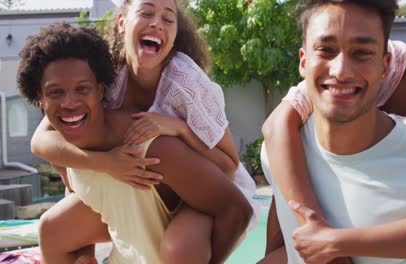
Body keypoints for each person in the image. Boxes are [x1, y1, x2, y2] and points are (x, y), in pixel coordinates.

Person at [30, 0, 260, 263]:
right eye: (146, 12)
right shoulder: (104, 73)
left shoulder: (187, 83)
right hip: (140, 183)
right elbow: (42, 141)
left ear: (175, 34)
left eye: (167, 18)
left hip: (200, 193)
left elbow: (229, 167)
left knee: (180, 247)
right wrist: (108, 163)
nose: (156, 23)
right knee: (52, 228)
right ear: (121, 22)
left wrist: (180, 129)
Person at [260, 0, 406, 263]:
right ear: (303, 61)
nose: (341, 71)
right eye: (326, 50)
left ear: (382, 66)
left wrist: (333, 244)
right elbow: (277, 126)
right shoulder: (289, 147)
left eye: (361, 53)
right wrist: (314, 226)